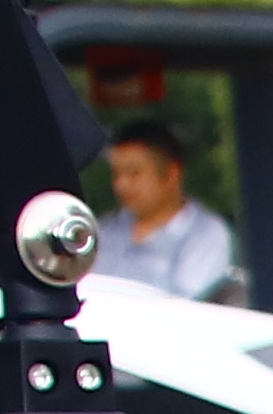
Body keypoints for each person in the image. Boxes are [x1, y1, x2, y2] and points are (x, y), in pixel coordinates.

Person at [96, 118, 238, 303]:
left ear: (172, 174)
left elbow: (190, 307)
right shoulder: (104, 231)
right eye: (117, 173)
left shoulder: (206, 234)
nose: (121, 184)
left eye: (134, 173)